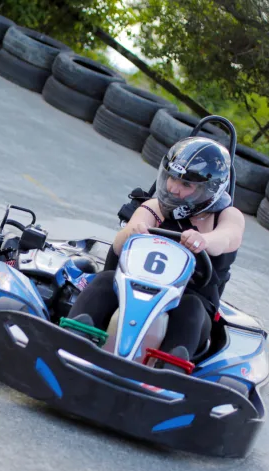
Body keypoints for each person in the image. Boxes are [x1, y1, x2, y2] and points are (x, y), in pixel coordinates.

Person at [67, 135, 245, 368]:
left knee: (191, 309)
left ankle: (169, 370)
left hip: (187, 304)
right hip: (135, 290)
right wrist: (133, 232)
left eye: (186, 184)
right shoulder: (155, 207)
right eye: (172, 178)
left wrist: (203, 240)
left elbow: (227, 238)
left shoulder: (227, 216)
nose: (173, 188)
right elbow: (121, 241)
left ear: (210, 189)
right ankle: (73, 340)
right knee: (105, 280)